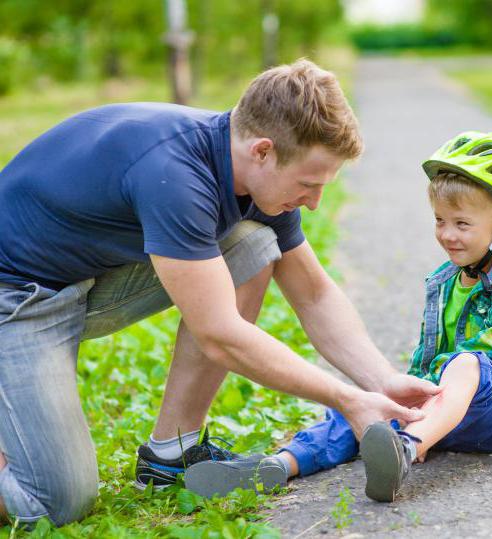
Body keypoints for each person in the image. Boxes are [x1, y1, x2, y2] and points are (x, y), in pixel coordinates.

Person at [0, 59, 440, 526]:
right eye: (309, 185)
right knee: (54, 502)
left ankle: (172, 452)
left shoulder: (252, 173)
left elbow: (312, 295)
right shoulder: (176, 175)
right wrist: (346, 399)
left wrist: (380, 381)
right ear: (263, 151)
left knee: (252, 243)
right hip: (18, 299)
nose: (313, 203)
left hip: (78, 279)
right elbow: (220, 334)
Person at [184, 131, 492, 503]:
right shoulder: (444, 280)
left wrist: (422, 407)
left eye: (462, 224)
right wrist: (406, 400)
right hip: (448, 412)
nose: (447, 235)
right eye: (439, 221)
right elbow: (428, 356)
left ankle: (406, 449)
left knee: (467, 364)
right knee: (368, 403)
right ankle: (278, 466)